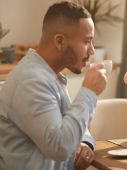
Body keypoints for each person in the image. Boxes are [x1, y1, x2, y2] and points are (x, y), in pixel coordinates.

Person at [0, 1, 107, 170]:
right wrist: (89, 92)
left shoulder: (50, 75)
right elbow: (60, 147)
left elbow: (69, 122)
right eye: (87, 41)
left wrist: (85, 142)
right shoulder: (31, 82)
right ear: (59, 41)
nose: (92, 50)